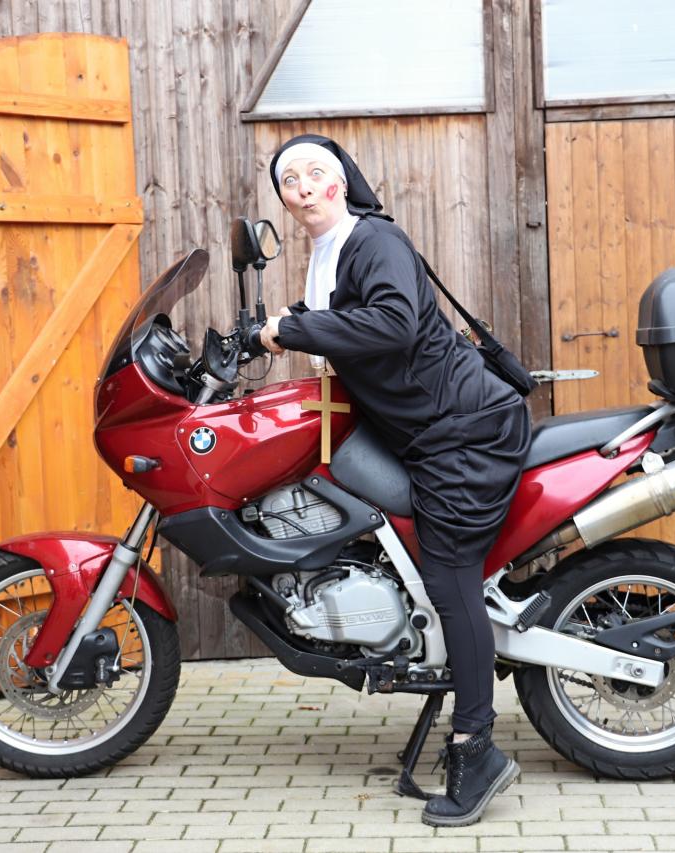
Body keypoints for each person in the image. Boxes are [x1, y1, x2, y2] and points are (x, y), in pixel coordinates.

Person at [258, 134, 530, 827]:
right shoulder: (327, 252)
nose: (303, 186)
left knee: (450, 578)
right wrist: (275, 330)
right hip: (429, 430)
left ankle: (476, 748)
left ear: (342, 181)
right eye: (289, 179)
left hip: (464, 432)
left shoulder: (371, 239)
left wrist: (294, 330)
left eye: (315, 172)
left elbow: (393, 322)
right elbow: (340, 323)